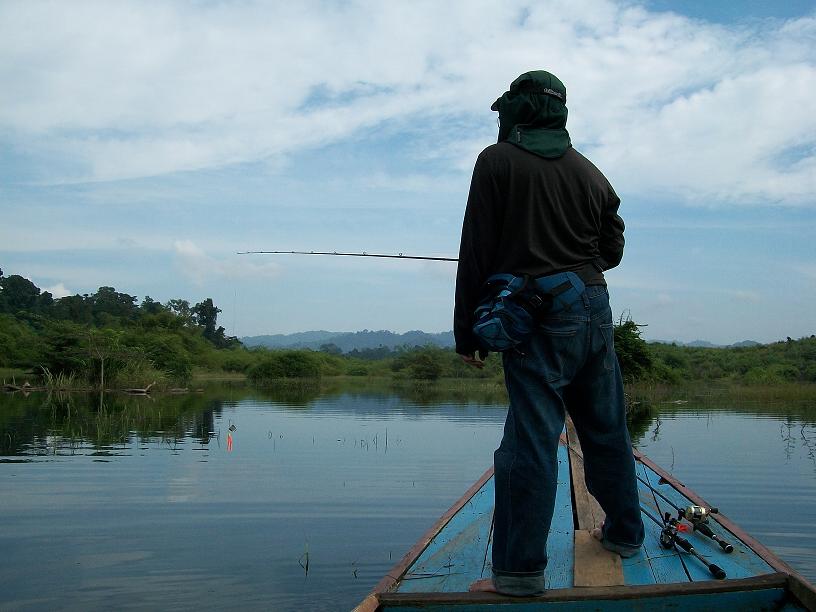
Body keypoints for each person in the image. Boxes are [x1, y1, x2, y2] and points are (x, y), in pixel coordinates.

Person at [454, 70, 645, 596]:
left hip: (538, 318)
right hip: (593, 304)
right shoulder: (592, 174)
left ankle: (517, 575)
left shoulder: (495, 163)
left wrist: (467, 333)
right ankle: (625, 535)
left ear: (519, 110)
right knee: (605, 429)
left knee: (530, 441)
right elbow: (611, 252)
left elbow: (475, 252)